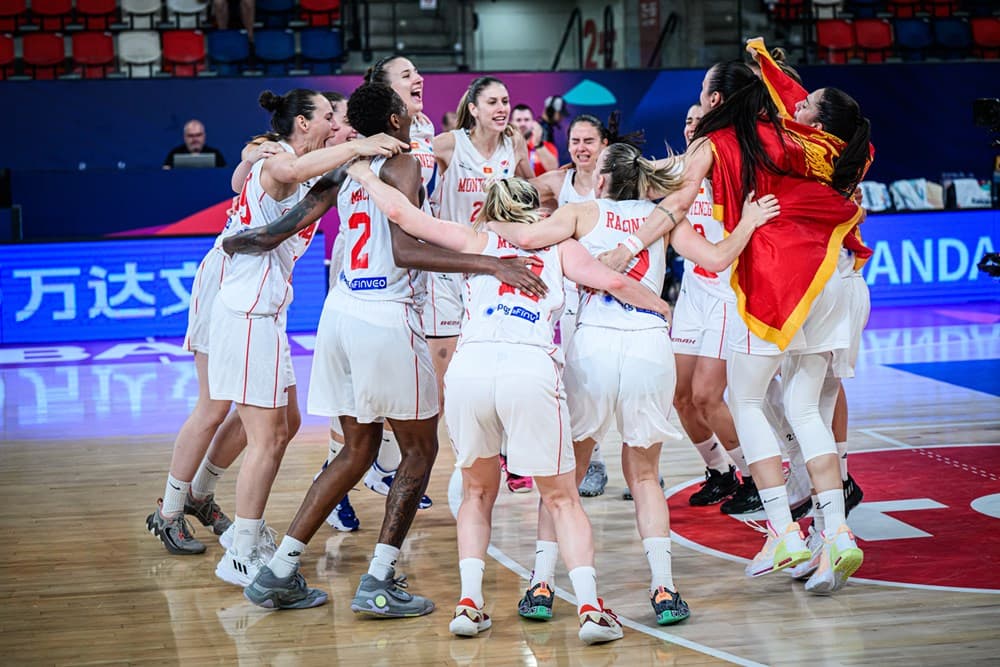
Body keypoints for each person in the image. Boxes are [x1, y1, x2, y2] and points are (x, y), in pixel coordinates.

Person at [239, 83, 547, 615]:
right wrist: (491, 264)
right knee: (420, 451)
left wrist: (238, 240)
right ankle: (379, 580)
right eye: (406, 107)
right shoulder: (402, 163)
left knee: (356, 450)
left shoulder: (346, 165)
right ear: (395, 120)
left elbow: (285, 225)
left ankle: (279, 571)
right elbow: (406, 249)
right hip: (385, 315)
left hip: (339, 313)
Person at [599, 40, 873, 594]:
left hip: (774, 281)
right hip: (828, 274)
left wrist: (627, 249)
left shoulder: (715, 142)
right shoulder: (790, 134)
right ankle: (836, 531)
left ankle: (783, 530)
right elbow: (818, 123)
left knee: (746, 402)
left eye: (703, 90)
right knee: (805, 407)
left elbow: (676, 206)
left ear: (717, 100)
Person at [349, 171, 658, 644]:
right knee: (561, 498)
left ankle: (469, 605)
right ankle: (591, 612)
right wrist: (661, 308)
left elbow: (399, 212)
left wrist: (362, 172)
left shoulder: (477, 240)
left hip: (470, 369)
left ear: (491, 208)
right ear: (536, 209)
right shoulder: (559, 247)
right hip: (528, 369)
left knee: (476, 493)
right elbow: (614, 280)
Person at [490, 141, 778, 625]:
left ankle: (541, 582)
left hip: (595, 345)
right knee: (644, 475)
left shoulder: (581, 212)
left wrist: (485, 221)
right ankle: (664, 589)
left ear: (601, 180)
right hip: (649, 346)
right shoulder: (663, 218)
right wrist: (748, 221)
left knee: (565, 477)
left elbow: (526, 237)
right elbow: (717, 259)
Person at [205, 88, 408, 588]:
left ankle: (231, 519)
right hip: (247, 309)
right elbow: (287, 172)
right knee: (266, 436)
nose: (335, 124)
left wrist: (357, 153)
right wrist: (361, 145)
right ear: (302, 123)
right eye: (327, 117)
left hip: (265, 310)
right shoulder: (278, 157)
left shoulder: (303, 166)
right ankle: (241, 549)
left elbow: (292, 179)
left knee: (287, 423)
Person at [512, 104, 558, 176]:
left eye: (526, 120)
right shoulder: (504, 147)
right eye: (518, 120)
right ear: (511, 123)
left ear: (533, 123)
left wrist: (538, 144)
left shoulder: (547, 146)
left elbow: (554, 170)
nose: (523, 124)